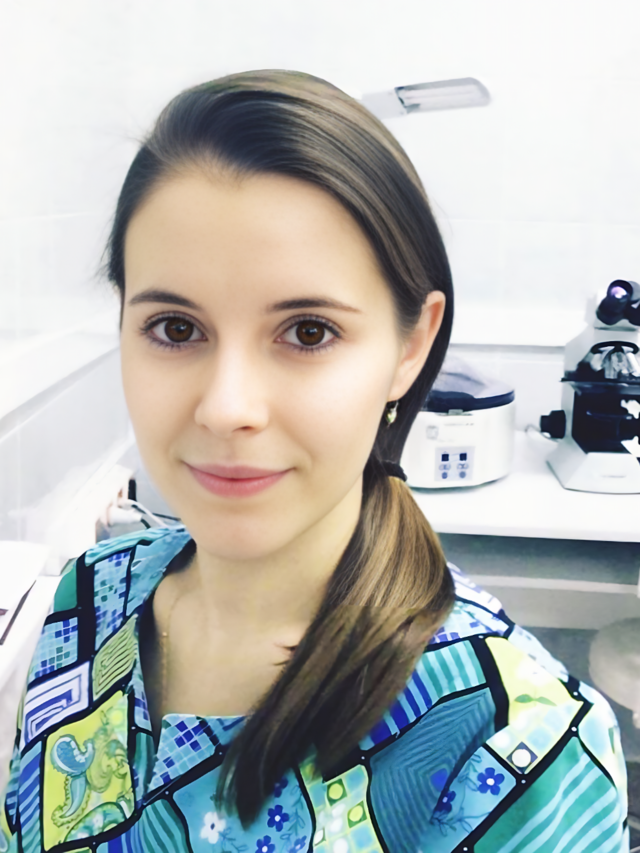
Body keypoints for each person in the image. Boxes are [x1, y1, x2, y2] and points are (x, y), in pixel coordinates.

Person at [0, 70, 629, 853]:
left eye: (307, 332)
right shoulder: (87, 600)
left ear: (411, 345)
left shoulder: (519, 747)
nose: (226, 407)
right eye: (175, 328)